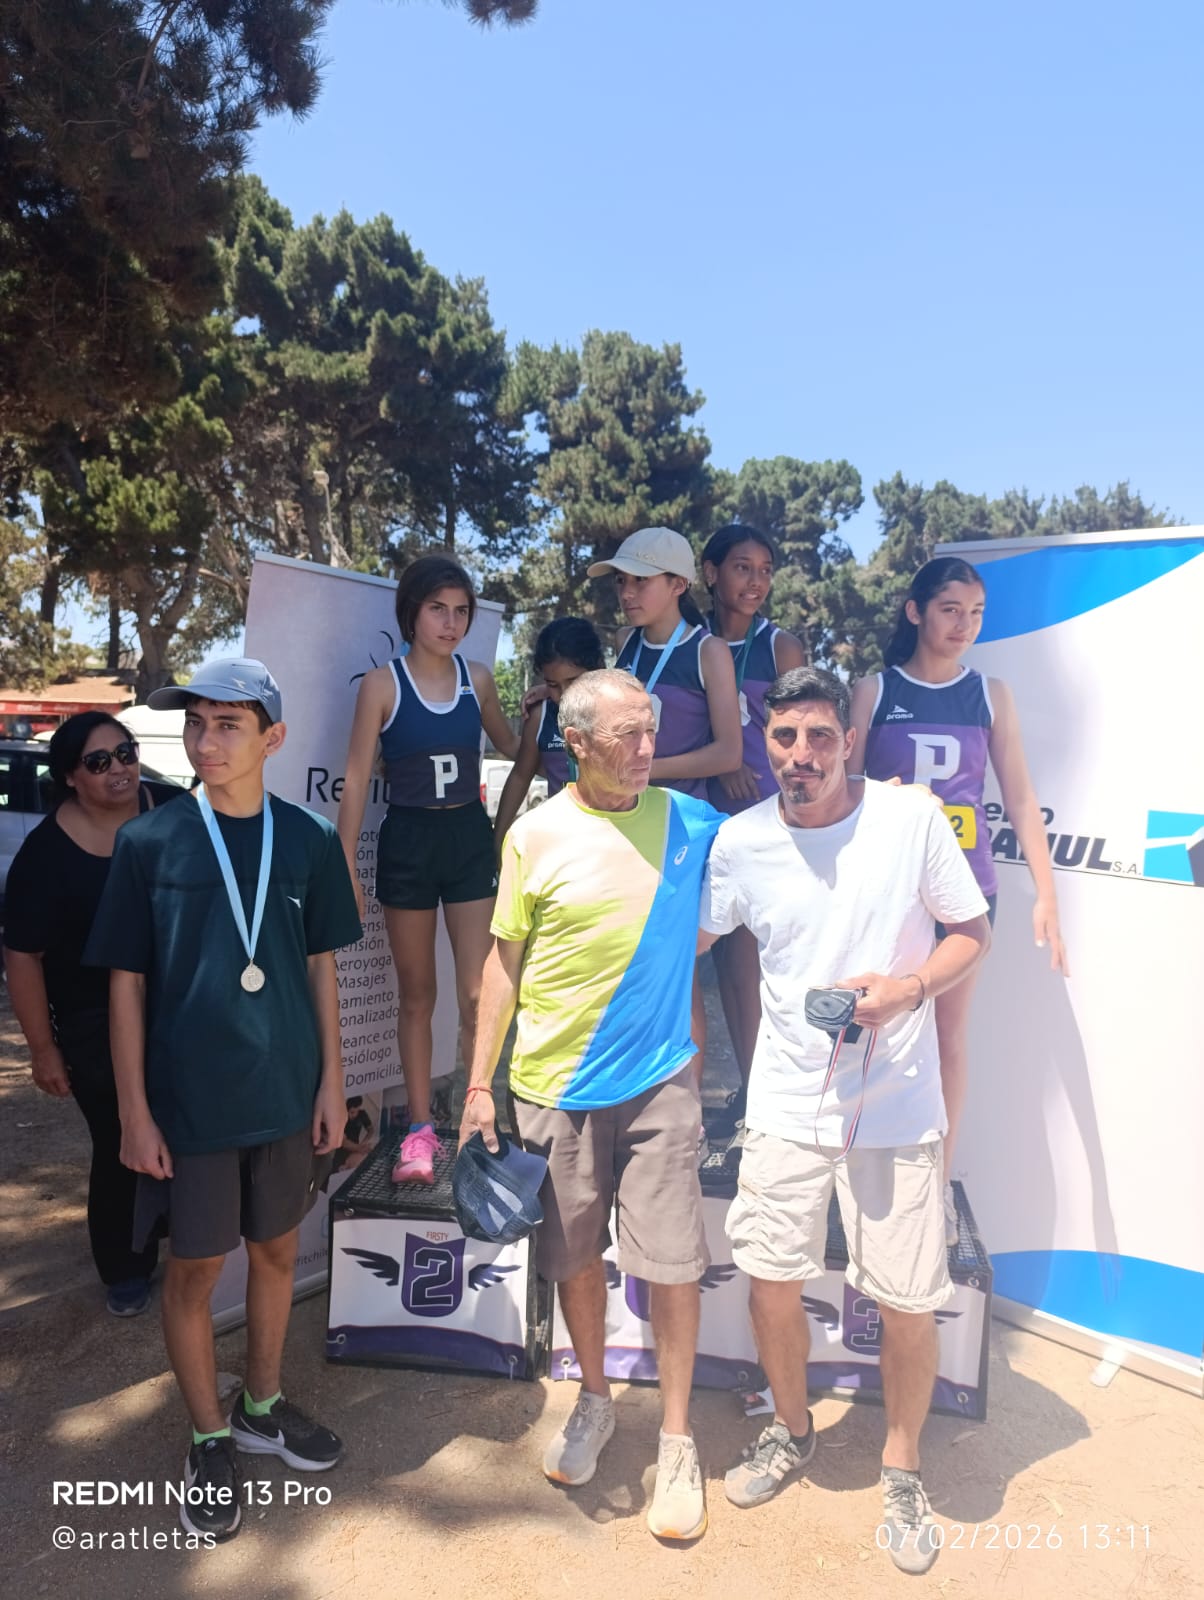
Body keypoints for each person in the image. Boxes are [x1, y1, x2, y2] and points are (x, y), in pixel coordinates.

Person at [699, 665, 991, 1574]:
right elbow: (690, 941)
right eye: (785, 737)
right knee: (769, 1281)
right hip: (786, 1102)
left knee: (907, 1301)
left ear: (849, 742)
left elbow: (971, 931)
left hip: (897, 1107)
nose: (802, 754)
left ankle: (901, 1467)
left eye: (821, 736)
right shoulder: (741, 841)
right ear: (766, 744)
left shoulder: (909, 821)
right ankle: (791, 1429)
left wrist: (908, 989)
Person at [84, 659, 362, 1543]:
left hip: (284, 1097)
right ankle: (209, 1436)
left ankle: (261, 1406)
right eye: (196, 723)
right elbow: (125, 985)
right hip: (190, 1105)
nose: (206, 741)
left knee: (275, 1253)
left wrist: (333, 1081)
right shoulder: (149, 842)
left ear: (272, 738)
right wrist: (133, 1112)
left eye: (228, 725)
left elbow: (321, 967)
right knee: (196, 1272)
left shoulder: (309, 839)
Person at [461, 668, 723, 1543]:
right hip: (553, 1086)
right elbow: (502, 964)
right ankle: (597, 1399)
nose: (648, 748)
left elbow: (792, 834)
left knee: (673, 1264)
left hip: (661, 1080)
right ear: (575, 744)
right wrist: (477, 1086)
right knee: (574, 1259)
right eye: (627, 735)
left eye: (650, 728)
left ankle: (677, 1439)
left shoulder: (691, 822)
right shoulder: (533, 835)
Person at [850, 556, 1068, 1244]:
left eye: (975, 614)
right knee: (874, 1033)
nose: (964, 625)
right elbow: (843, 793)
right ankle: (859, 1178)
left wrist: (1047, 895)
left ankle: (935, 1190)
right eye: (950, 609)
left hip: (966, 897)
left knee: (947, 1038)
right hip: (888, 892)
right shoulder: (874, 690)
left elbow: (1021, 798)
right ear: (915, 611)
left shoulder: (990, 694)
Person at [336, 554, 518, 1184]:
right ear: (411, 612)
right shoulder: (382, 685)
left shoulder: (479, 679)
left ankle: (477, 1116)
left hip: (467, 838)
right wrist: (345, 865)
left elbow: (514, 746)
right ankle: (419, 1130)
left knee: (478, 993)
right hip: (409, 841)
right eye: (438, 608)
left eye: (462, 611)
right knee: (417, 994)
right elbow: (355, 778)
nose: (451, 622)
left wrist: (551, 708)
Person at [3, 713, 181, 1316]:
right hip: (92, 1022)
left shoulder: (175, 811)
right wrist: (43, 1050)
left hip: (181, 1008)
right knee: (120, 1137)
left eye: (125, 752)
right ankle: (125, 1265)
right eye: (99, 762)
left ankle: (183, 1234)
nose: (119, 769)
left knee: (191, 1125)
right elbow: (23, 956)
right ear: (70, 777)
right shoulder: (45, 854)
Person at [593, 526, 742, 1095]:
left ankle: (688, 1118)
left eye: (640, 581)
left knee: (680, 979)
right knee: (634, 972)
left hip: (681, 832)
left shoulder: (708, 651)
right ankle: (638, 1100)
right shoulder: (626, 645)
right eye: (621, 582)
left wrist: (644, 770)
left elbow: (728, 752)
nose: (627, 593)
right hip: (627, 826)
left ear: (679, 584)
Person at [699, 523, 806, 1105]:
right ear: (710, 573)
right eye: (743, 568)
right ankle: (748, 1088)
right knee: (725, 964)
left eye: (765, 570)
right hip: (703, 812)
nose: (756, 581)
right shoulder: (690, 642)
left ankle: (763, 1094)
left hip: (765, 815)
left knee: (754, 964)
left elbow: (801, 732)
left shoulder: (780, 646)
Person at [493, 616, 604, 846]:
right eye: (553, 685)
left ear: (598, 667)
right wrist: (497, 842)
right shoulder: (540, 716)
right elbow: (520, 776)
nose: (564, 694)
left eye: (573, 681)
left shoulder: (616, 711)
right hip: (562, 841)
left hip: (611, 838)